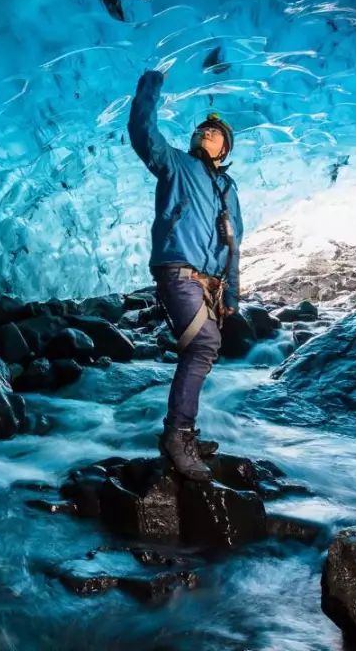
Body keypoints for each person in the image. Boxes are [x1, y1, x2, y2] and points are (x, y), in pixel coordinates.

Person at [126, 69, 244, 482]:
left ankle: (185, 430)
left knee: (203, 349)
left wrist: (231, 295)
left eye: (212, 132)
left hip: (209, 283)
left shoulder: (228, 189)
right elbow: (143, 134)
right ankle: (177, 436)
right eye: (201, 129)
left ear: (224, 147)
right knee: (204, 345)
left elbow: (234, 243)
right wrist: (150, 88)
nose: (202, 132)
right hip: (178, 271)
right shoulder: (176, 164)